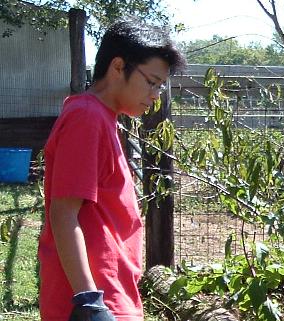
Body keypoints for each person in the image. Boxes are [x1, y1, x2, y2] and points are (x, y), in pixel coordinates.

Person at [38, 19, 185, 320]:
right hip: (97, 300)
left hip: (111, 292)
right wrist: (89, 301)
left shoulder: (104, 117)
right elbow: (63, 212)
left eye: (161, 86)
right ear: (118, 67)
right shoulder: (87, 117)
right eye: (152, 82)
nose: (156, 94)